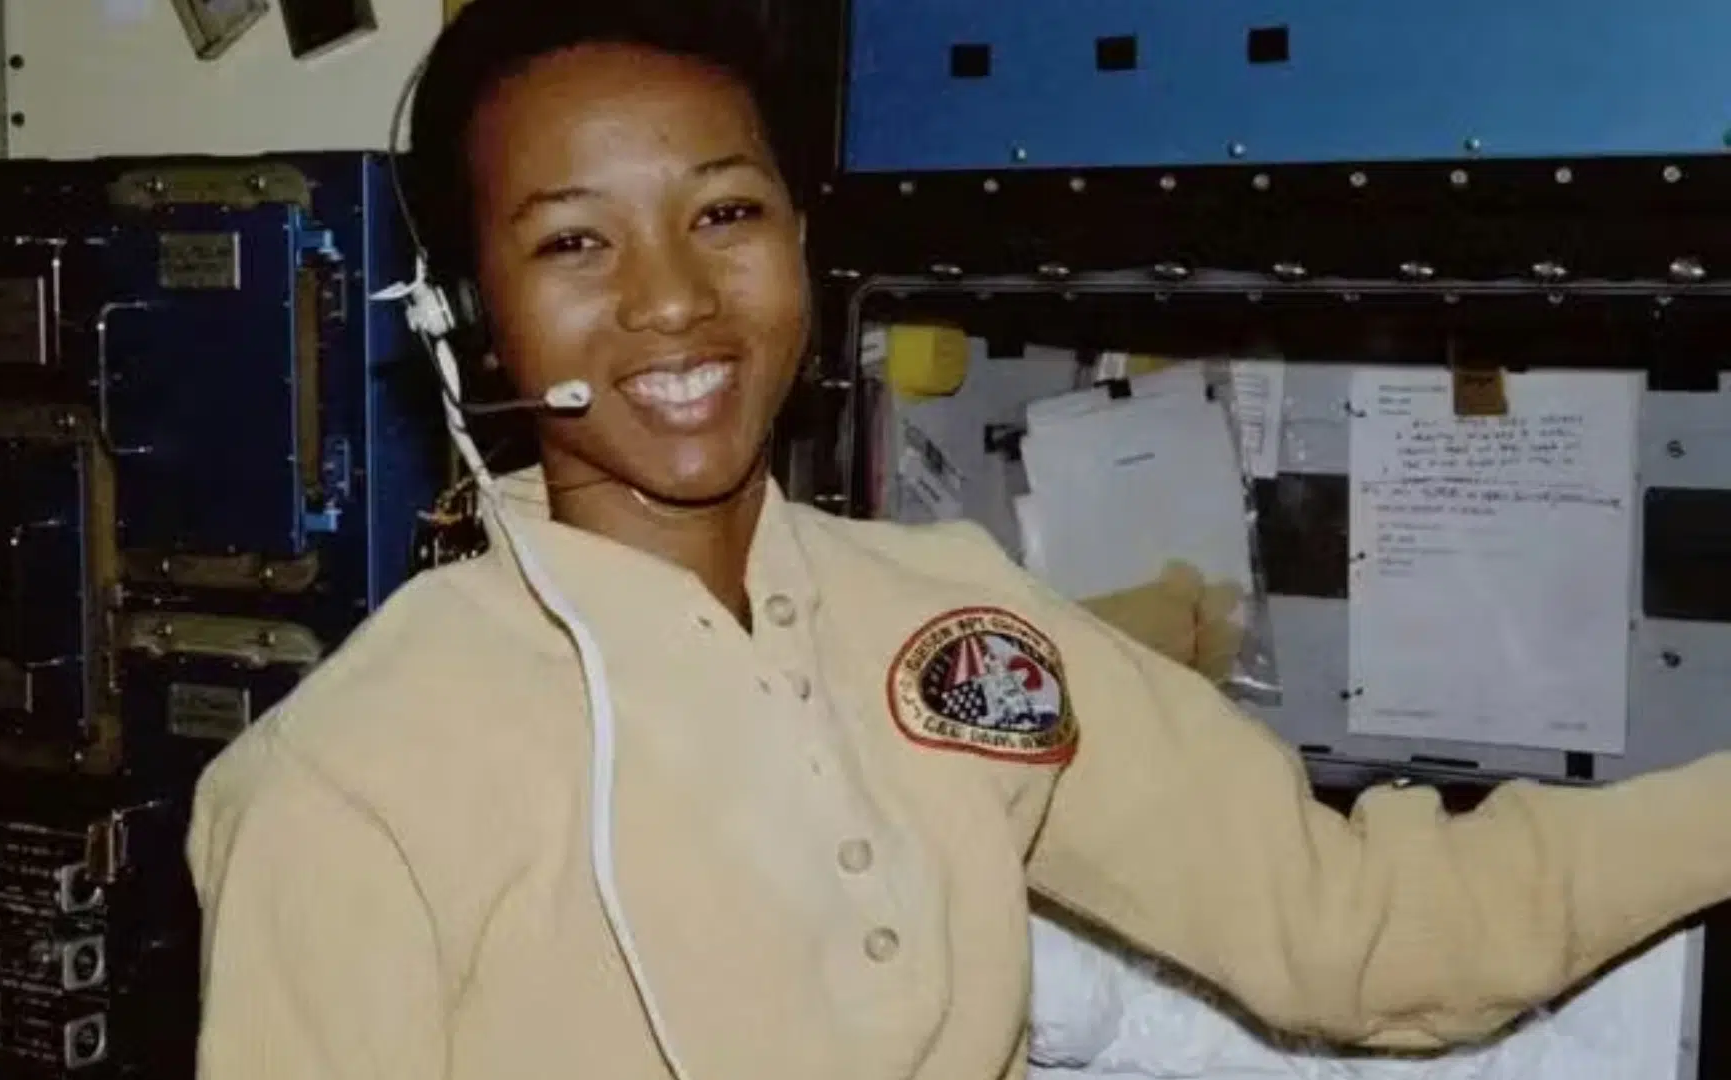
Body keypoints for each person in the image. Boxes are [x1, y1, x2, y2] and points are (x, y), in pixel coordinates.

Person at [184, 0, 1731, 1076]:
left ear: (804, 240)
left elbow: (1362, 938)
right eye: (574, 242)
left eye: (726, 213)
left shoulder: (954, 627)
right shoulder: (352, 781)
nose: (672, 300)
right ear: (466, 322)